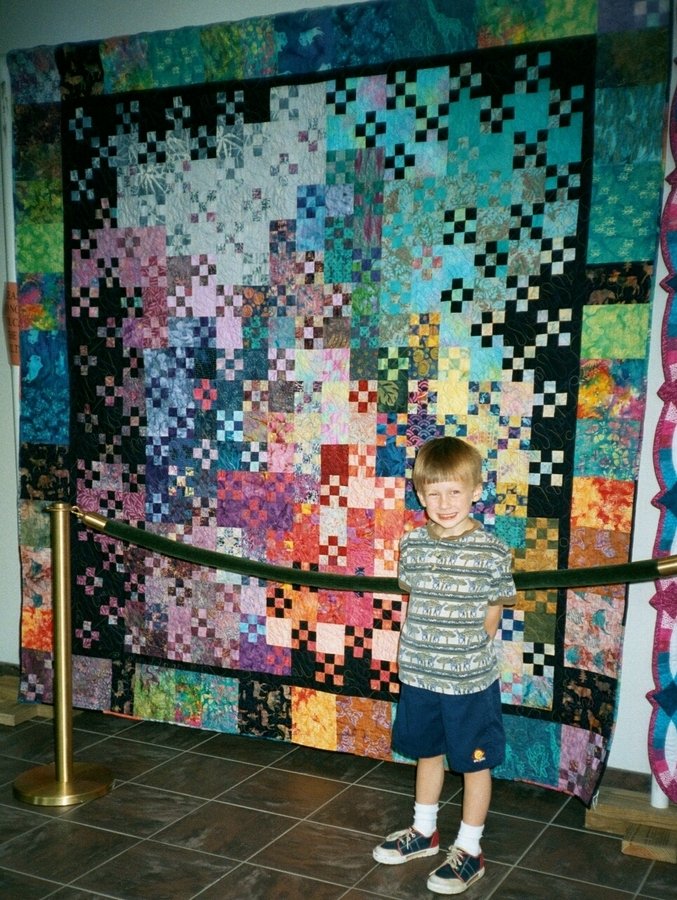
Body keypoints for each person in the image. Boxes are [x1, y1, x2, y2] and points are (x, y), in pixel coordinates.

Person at [373, 435, 517, 895]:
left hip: (468, 682)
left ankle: (470, 849)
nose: (445, 503)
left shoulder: (492, 550)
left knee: (475, 763)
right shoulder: (413, 545)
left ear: (476, 490)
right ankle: (424, 831)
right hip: (419, 675)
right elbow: (415, 597)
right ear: (420, 495)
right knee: (427, 752)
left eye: (455, 491)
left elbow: (494, 611)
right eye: (433, 493)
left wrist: (465, 653)